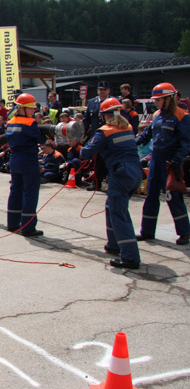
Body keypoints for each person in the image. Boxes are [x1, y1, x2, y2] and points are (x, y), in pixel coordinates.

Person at [79, 98, 143, 268]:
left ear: (104, 116)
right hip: (135, 173)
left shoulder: (104, 131)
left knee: (119, 213)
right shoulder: (127, 127)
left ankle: (130, 257)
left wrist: (78, 146)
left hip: (120, 174)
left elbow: (86, 153)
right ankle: (114, 244)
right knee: (112, 207)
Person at [135, 82, 190, 245]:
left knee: (174, 197)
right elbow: (147, 133)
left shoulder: (182, 116)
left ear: (168, 99)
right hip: (156, 160)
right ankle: (147, 231)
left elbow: (186, 142)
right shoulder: (157, 114)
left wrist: (177, 159)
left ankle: (185, 232)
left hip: (170, 162)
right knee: (151, 195)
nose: (155, 102)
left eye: (158, 100)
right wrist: (133, 143)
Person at [6, 93, 47, 236]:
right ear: (22, 108)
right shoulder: (30, 123)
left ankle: (12, 223)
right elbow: (40, 138)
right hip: (28, 159)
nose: (33, 111)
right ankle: (28, 227)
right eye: (30, 109)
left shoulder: (10, 122)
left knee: (15, 191)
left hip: (15, 159)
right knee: (30, 192)